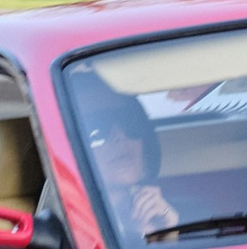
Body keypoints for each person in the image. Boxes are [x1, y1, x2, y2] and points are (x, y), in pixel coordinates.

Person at [70, 74, 178, 238]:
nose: (119, 136)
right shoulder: (60, 233)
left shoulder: (195, 220)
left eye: (129, 122)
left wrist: (166, 237)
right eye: (97, 128)